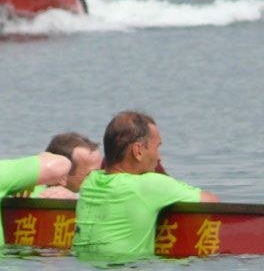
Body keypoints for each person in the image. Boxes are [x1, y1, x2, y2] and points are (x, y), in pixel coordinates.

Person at [73, 111, 219, 262]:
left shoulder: (90, 181)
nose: (159, 157)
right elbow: (211, 202)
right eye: (156, 148)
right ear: (138, 151)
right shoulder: (149, 185)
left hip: (85, 267)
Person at [15, 133, 102, 199]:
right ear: (62, 174)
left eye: (100, 172)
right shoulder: (27, 193)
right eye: (90, 174)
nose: (99, 179)